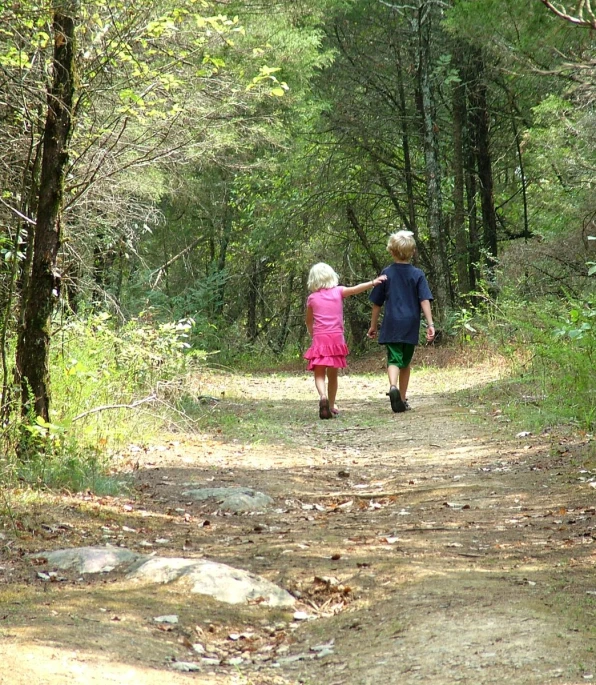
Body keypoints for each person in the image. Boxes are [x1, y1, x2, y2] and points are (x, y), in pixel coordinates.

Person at [304, 263, 387, 419]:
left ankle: (322, 396)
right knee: (333, 375)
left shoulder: (312, 298)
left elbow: (309, 321)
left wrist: (312, 334)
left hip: (320, 338)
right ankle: (331, 405)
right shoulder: (338, 292)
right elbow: (356, 289)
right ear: (331, 276)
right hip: (336, 338)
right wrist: (373, 282)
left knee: (319, 372)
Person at [367, 231, 435, 413]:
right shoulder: (417, 274)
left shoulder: (386, 274)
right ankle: (402, 399)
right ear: (412, 252)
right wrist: (430, 324)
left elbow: (377, 303)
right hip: (410, 323)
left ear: (391, 251)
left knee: (393, 359)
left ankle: (392, 387)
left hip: (392, 323)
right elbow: (424, 300)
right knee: (405, 362)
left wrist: (373, 325)